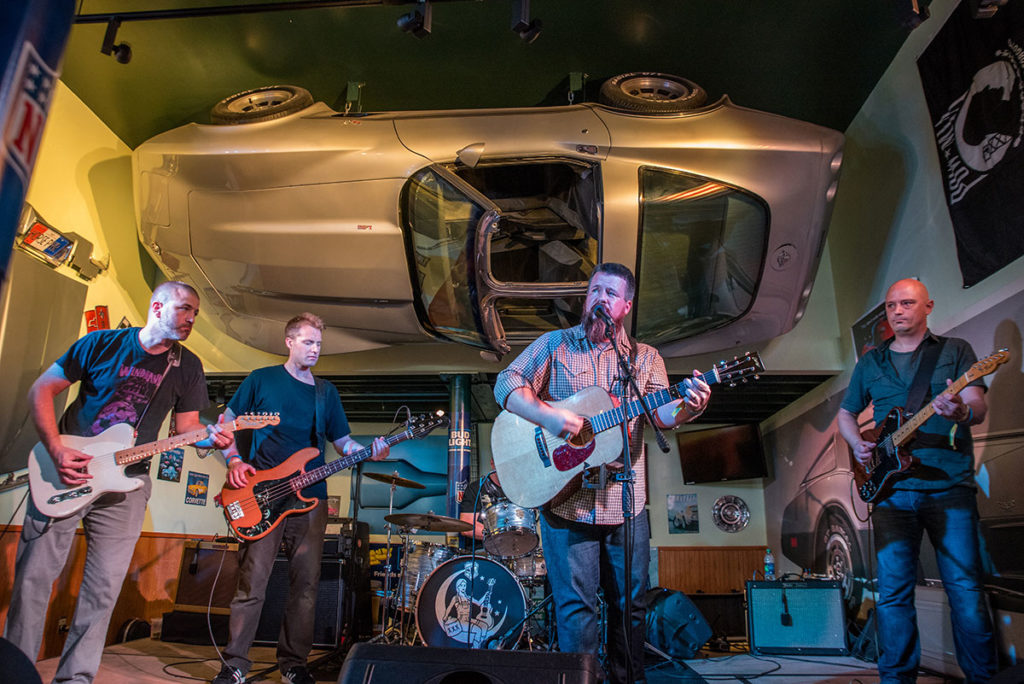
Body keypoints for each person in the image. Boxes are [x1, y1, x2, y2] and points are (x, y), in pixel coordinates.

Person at [5, 281, 233, 684]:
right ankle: (15, 673)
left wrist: (212, 440)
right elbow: (42, 389)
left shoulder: (189, 367)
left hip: (129, 482)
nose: (191, 319)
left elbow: (188, 429)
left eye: (195, 313)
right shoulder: (99, 343)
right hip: (65, 472)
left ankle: (75, 678)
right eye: (184, 309)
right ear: (158, 306)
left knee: (102, 590)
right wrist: (56, 448)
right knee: (33, 581)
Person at [493, 262, 711, 683]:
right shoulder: (555, 345)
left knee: (630, 606)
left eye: (610, 294)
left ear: (625, 306)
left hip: (625, 505)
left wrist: (690, 405)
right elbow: (507, 382)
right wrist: (549, 417)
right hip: (566, 504)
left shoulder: (644, 359)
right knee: (576, 610)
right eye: (594, 291)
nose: (599, 299)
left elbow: (663, 414)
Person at [838, 278, 998, 684]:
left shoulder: (956, 352)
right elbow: (846, 413)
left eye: (907, 303)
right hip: (892, 493)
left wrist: (960, 410)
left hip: (949, 488)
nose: (898, 311)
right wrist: (858, 444)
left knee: (965, 591)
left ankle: (983, 678)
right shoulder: (870, 363)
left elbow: (976, 405)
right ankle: (896, 679)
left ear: (928, 305)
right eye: (891, 305)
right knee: (892, 597)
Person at [214, 313, 388, 684]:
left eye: (319, 344)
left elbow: (342, 443)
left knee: (306, 587)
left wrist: (369, 449)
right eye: (308, 342)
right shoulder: (261, 379)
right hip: (260, 496)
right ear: (289, 342)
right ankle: (234, 666)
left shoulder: (326, 393)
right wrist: (233, 461)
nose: (315, 350)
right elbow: (225, 424)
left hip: (311, 499)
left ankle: (294, 664)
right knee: (252, 585)